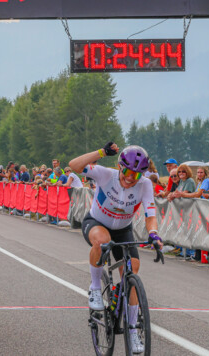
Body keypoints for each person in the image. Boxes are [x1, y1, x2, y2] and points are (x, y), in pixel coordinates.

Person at [69, 142, 162, 354]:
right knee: (102, 242)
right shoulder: (106, 175)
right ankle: (95, 287)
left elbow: (150, 215)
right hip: (97, 222)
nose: (130, 178)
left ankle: (132, 329)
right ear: (120, 166)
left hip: (123, 230)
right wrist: (101, 152)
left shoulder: (145, 185)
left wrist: (154, 234)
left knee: (132, 272)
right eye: (127, 172)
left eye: (136, 175)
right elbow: (74, 165)